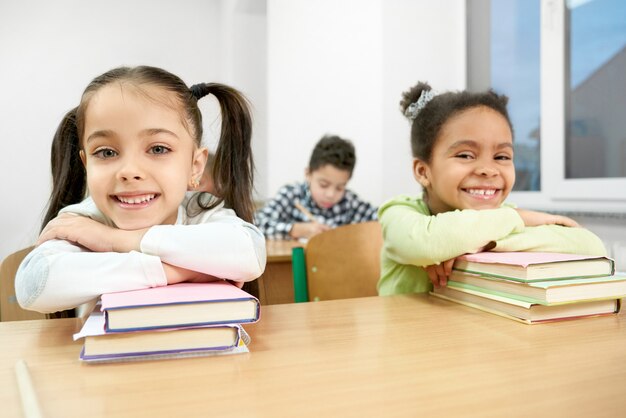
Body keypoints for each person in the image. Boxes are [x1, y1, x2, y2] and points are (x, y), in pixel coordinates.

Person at [15, 65, 266, 314]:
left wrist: (115, 240)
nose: (129, 170)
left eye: (158, 149)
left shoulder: (201, 212)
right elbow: (34, 284)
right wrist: (177, 273)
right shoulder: (82, 221)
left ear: (195, 166)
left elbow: (250, 254)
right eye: (106, 152)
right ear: (86, 164)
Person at [378, 81, 607, 296]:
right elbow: (427, 243)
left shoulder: (500, 221)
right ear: (423, 171)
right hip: (405, 334)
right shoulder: (398, 213)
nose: (488, 169)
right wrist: (517, 216)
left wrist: (487, 245)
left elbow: (591, 247)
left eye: (501, 156)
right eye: (466, 155)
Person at [255, 134, 378, 240]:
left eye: (340, 188)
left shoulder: (350, 202)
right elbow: (257, 224)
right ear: (308, 173)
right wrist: (297, 229)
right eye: (323, 185)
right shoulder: (292, 196)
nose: (330, 194)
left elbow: (381, 219)